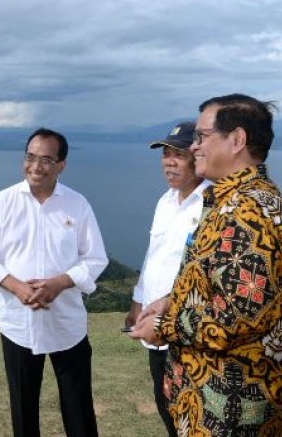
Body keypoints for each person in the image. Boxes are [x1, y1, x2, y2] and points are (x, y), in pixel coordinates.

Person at [131, 94, 282, 436]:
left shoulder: (250, 212)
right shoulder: (228, 201)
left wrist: (165, 324)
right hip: (208, 395)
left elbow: (237, 317)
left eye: (202, 137)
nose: (194, 147)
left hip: (229, 404)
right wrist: (172, 300)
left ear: (237, 140)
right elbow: (212, 281)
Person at [0, 128, 108, 437]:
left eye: (46, 159)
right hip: (18, 325)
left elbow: (95, 258)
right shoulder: (2, 203)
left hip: (67, 323)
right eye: (30, 157)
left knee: (79, 408)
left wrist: (60, 282)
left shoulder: (77, 204)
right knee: (23, 408)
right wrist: (16, 286)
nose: (36, 166)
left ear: (61, 165)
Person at [124, 121, 209, 437]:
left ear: (197, 157)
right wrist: (137, 302)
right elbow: (153, 257)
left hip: (186, 327)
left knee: (192, 408)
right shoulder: (165, 201)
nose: (169, 161)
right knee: (165, 404)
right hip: (153, 325)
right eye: (165, 154)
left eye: (178, 154)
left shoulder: (209, 205)